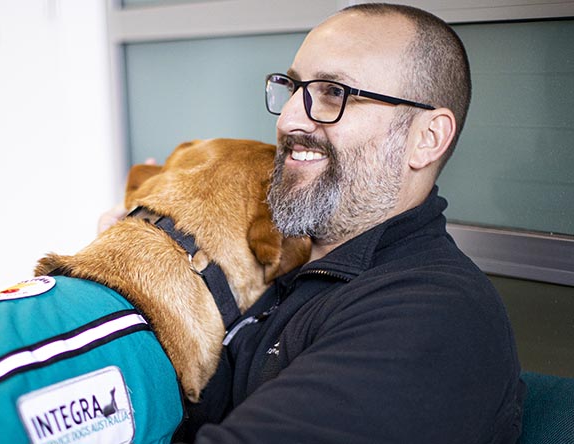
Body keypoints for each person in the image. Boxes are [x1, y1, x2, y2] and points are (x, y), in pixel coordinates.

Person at [103, 3, 525, 443]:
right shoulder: (286, 267)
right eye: (293, 87)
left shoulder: (435, 314)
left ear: (427, 139)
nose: (288, 120)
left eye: (335, 92)